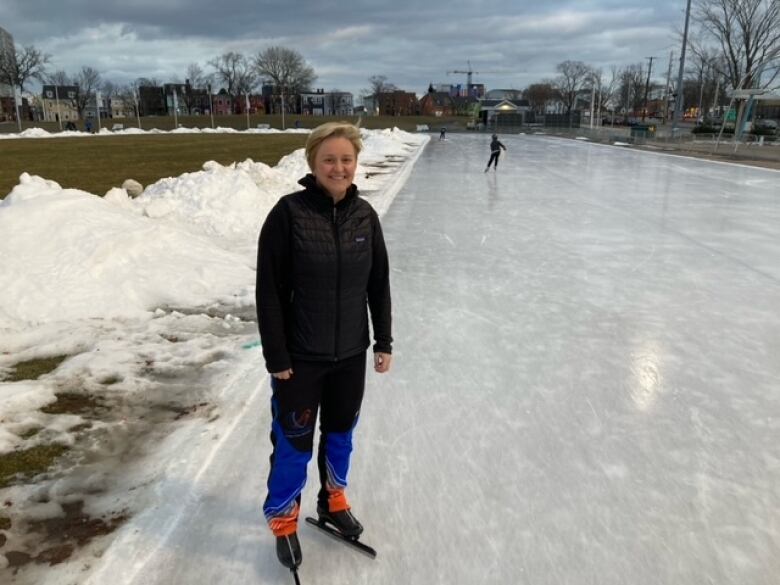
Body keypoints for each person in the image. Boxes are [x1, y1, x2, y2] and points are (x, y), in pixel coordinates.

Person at [256, 122, 393, 572]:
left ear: (356, 164)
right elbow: (269, 293)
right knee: (294, 445)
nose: (338, 167)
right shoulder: (288, 214)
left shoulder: (365, 216)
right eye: (329, 160)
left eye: (346, 159)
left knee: (340, 437)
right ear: (313, 163)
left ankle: (333, 500)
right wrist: (276, 356)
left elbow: (378, 283)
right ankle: (283, 520)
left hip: (349, 355)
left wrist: (382, 339)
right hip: (299, 360)